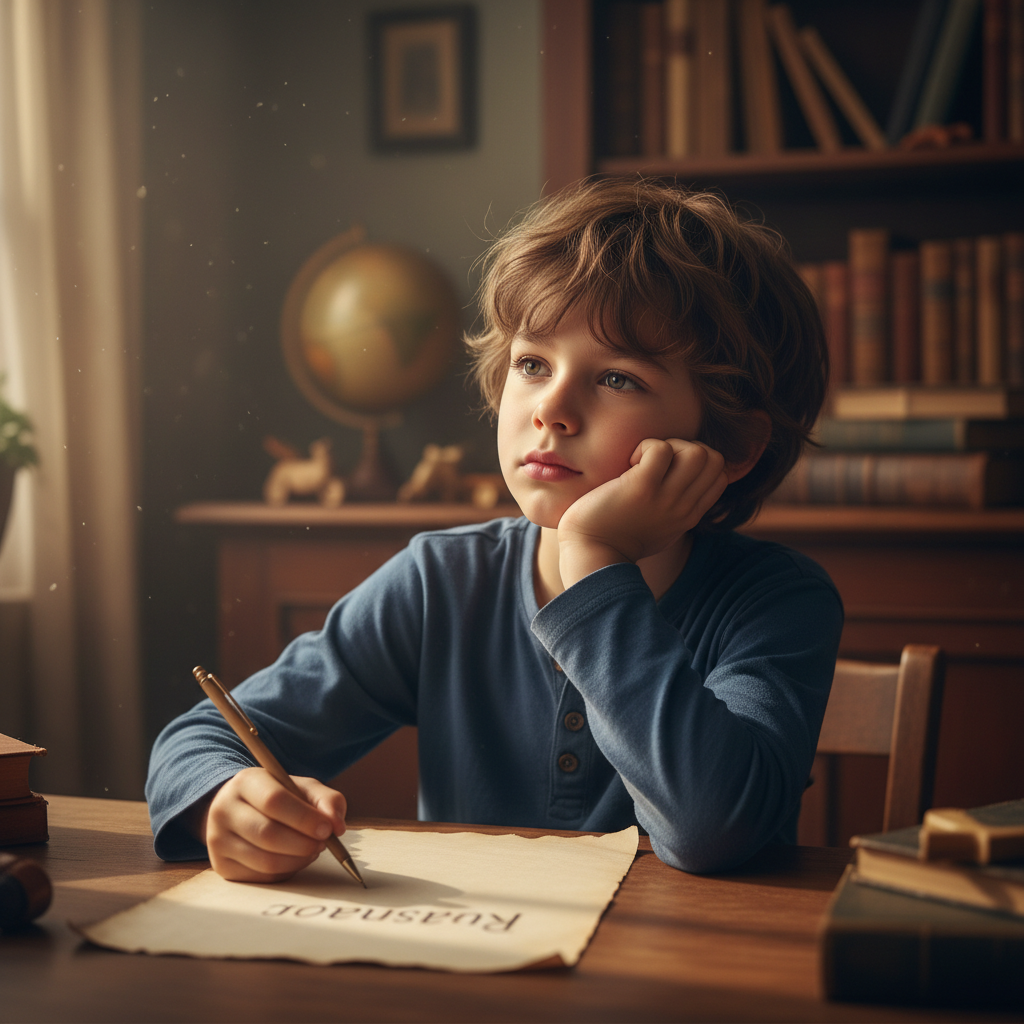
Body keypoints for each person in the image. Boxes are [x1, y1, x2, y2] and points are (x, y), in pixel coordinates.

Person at [146, 178, 843, 881]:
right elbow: (198, 738)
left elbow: (711, 828)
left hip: (688, 974)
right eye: (532, 363)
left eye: (618, 380)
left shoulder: (777, 602)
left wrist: (596, 559)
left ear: (736, 444)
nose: (553, 409)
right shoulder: (441, 582)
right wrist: (225, 801)